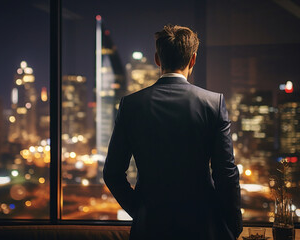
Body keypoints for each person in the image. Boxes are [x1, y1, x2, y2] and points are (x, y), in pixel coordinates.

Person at [103, 24, 242, 240]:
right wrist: (232, 226)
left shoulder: (131, 105)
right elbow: (226, 173)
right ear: (193, 59)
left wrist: (141, 212)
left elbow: (112, 173)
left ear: (157, 59)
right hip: (203, 226)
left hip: (150, 228)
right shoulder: (213, 103)